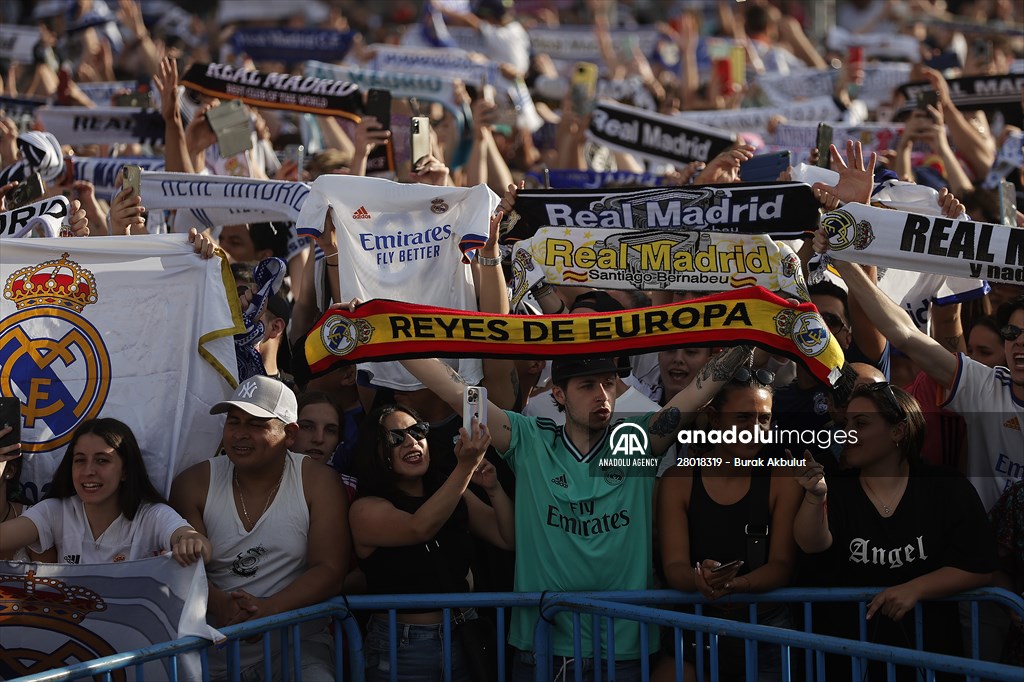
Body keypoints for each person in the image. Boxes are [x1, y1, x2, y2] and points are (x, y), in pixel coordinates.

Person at [395, 342, 753, 682]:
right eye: (587, 385)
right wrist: (388, 335)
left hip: (625, 648)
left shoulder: (640, 440)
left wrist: (749, 341)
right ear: (559, 395)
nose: (602, 394)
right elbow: (454, 389)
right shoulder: (528, 440)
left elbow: (697, 392)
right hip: (543, 646)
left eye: (609, 383)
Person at [794, 384, 995, 681]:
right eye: (845, 424)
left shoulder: (945, 486)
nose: (847, 433)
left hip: (931, 658)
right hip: (853, 661)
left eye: (860, 424)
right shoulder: (837, 488)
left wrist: (915, 589)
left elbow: (980, 565)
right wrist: (815, 495)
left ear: (898, 431)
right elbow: (811, 544)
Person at [170, 375, 350, 681]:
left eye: (256, 424)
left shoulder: (318, 481)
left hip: (297, 645)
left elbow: (330, 570)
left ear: (289, 434)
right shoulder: (194, 482)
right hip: (213, 652)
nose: (240, 434)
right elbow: (183, 568)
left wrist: (268, 610)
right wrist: (219, 604)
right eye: (234, 422)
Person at [657, 369, 802, 682]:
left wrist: (736, 585)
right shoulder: (679, 481)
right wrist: (700, 579)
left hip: (766, 629)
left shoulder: (783, 479)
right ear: (714, 418)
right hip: (694, 628)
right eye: (743, 418)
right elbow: (674, 565)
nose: (755, 429)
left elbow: (781, 564)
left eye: (764, 420)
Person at [352, 405, 514, 681]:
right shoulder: (365, 508)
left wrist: (493, 489)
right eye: (396, 437)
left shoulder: (451, 491)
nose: (412, 441)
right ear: (375, 450)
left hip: (465, 636)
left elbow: (506, 538)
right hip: (404, 647)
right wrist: (465, 467)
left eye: (418, 431)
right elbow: (420, 527)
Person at [0, 418, 210, 566]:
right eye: (80, 460)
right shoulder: (55, 511)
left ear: (125, 470)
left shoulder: (152, 515)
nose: (89, 471)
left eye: (102, 460)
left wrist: (190, 543)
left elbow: (200, 544)